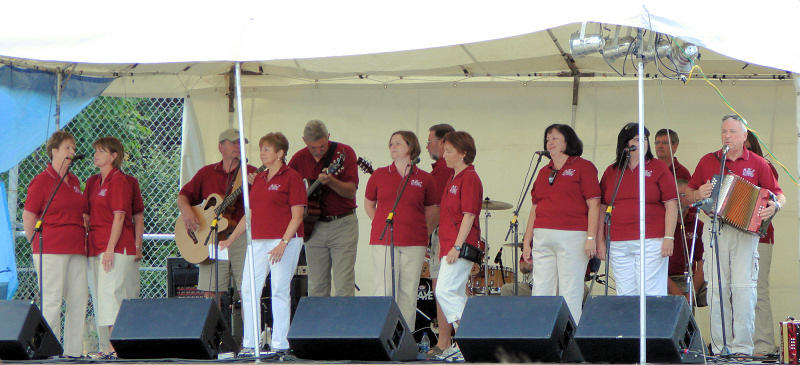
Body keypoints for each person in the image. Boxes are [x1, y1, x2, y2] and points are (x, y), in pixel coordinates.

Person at [687, 115, 784, 355]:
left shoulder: (759, 163)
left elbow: (779, 194)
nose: (727, 136)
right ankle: (721, 349)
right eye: (723, 131)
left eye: (732, 131)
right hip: (715, 230)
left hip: (746, 233)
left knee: (743, 288)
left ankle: (742, 349)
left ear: (744, 136)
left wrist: (775, 207)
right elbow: (688, 195)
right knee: (717, 289)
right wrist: (698, 192)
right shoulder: (709, 161)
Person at [220, 132, 306, 354]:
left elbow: (297, 215)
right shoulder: (258, 178)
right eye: (261, 149)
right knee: (247, 289)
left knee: (278, 289)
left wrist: (283, 243)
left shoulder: (292, 177)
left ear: (280, 153)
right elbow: (250, 214)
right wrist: (230, 239)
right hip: (258, 240)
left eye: (267, 149)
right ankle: (251, 342)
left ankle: (280, 344)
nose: (262, 153)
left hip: (284, 240)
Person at [177, 128, 256, 346]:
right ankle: (214, 341)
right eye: (233, 143)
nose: (238, 146)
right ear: (221, 147)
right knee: (211, 291)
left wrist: (256, 185)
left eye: (241, 143)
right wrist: (188, 213)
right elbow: (183, 195)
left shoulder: (251, 172)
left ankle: (246, 341)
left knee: (246, 289)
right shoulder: (206, 173)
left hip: (240, 235)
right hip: (211, 237)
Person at [521, 124, 600, 324]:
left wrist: (591, 238)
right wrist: (527, 241)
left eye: (555, 138)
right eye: (548, 139)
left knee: (570, 290)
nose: (550, 142)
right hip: (543, 236)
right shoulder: (543, 172)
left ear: (568, 142)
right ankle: (542, 335)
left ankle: (570, 341)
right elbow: (535, 208)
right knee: (541, 289)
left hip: (573, 236)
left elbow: (594, 204)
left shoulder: (583, 167)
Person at [364, 131, 439, 331]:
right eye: (391, 144)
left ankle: (405, 337)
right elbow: (369, 204)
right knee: (385, 290)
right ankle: (383, 335)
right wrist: (381, 223)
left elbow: (432, 210)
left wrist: (423, 231)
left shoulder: (424, 178)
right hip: (384, 241)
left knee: (408, 292)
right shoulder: (379, 174)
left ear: (411, 147)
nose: (393, 147)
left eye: (398, 143)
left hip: (414, 242)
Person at [22, 131, 88, 358]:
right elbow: (29, 216)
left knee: (79, 299)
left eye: (73, 147)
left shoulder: (75, 181)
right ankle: (49, 352)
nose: (72, 152)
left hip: (77, 248)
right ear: (54, 151)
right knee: (51, 300)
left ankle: (73, 352)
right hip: (50, 248)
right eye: (68, 147)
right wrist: (34, 246)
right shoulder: (41, 181)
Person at [597, 123, 678, 296]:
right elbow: (602, 208)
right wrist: (600, 240)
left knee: (650, 292)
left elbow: (671, 203)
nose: (643, 142)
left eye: (645, 139)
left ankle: (653, 324)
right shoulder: (612, 171)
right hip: (618, 241)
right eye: (637, 139)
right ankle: (630, 325)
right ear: (626, 144)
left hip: (650, 239)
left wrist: (669, 237)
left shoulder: (658, 167)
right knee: (625, 294)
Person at [288, 120, 359, 297]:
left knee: (344, 282)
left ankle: (343, 324)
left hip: (342, 223)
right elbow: (288, 191)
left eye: (322, 146)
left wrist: (331, 181)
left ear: (328, 137)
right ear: (304, 141)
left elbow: (351, 191)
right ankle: (319, 324)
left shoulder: (344, 152)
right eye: (313, 147)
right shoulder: (298, 159)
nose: (318, 151)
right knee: (317, 284)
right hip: (313, 226)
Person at [85, 136, 137, 356]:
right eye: (96, 150)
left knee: (111, 295)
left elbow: (119, 216)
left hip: (115, 247)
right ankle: (107, 346)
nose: (96, 154)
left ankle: (115, 348)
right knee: (101, 297)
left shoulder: (119, 181)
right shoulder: (92, 181)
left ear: (114, 156)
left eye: (102, 151)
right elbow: (86, 213)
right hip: (94, 246)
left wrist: (109, 248)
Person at [434, 131, 483, 360]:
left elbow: (469, 215)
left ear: (463, 153)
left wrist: (456, 246)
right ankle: (466, 341)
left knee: (444, 290)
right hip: (449, 245)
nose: (444, 154)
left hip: (459, 246)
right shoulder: (453, 178)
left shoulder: (469, 178)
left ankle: (468, 337)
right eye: (444, 150)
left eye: (449, 150)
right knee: (451, 291)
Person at [655, 128, 707, 305]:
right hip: (658, 228)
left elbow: (690, 202)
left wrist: (684, 222)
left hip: (682, 228)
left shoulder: (683, 173)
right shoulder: (649, 170)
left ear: (675, 146)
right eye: (657, 142)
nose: (660, 147)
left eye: (665, 143)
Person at [744, 132, 780, 356]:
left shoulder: (765, 166)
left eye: (746, 145)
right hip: (736, 237)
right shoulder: (727, 167)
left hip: (761, 237)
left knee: (759, 290)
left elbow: (773, 199)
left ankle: (764, 344)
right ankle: (743, 343)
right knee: (737, 291)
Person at [424, 123, 455, 356]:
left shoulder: (444, 169)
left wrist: (424, 233)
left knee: (442, 287)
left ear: (444, 142)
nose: (427, 146)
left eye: (430, 141)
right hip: (444, 233)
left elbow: (436, 208)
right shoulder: (440, 169)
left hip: (444, 234)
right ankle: (445, 340)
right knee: (442, 287)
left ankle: (444, 341)